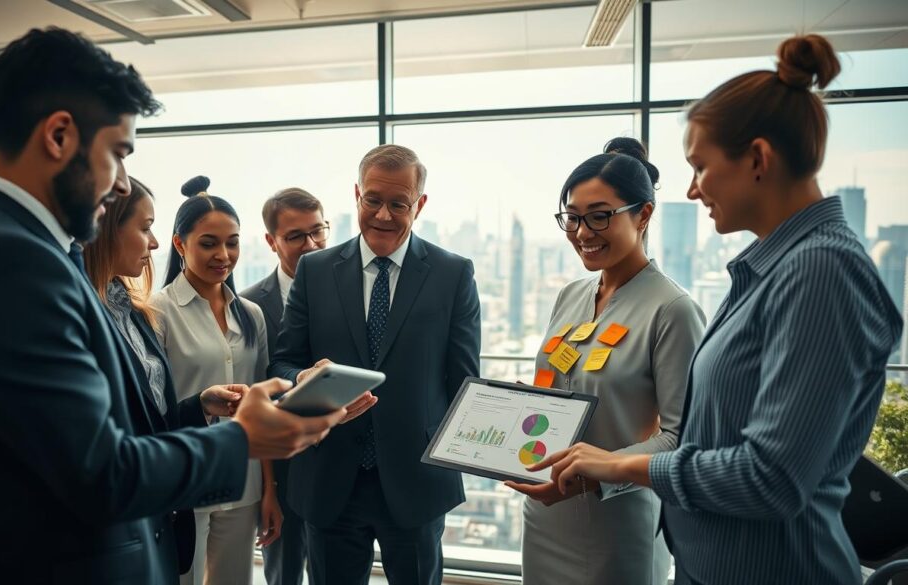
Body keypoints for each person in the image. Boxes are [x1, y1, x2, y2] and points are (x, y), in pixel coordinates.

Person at [0, 27, 345, 585]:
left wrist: (195, 409)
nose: (123, 185)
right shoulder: (5, 263)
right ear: (59, 135)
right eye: (117, 153)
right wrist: (242, 439)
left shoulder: (9, 248)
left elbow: (70, 440)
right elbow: (99, 474)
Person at [527, 34, 903, 585]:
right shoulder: (772, 268)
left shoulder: (821, 272)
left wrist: (614, 464)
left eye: (700, 167)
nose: (692, 190)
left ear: (758, 159)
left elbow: (773, 478)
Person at [270, 144, 481, 585]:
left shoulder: (453, 273)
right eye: (373, 200)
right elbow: (284, 361)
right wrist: (302, 378)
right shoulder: (314, 270)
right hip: (329, 478)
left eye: (399, 204)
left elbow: (464, 381)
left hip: (417, 480)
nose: (383, 215)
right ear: (356, 195)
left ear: (420, 204)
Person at [506, 138, 705, 585]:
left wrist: (595, 477)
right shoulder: (570, 295)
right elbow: (560, 390)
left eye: (599, 216)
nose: (582, 233)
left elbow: (683, 439)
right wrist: (521, 407)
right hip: (546, 512)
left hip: (619, 518)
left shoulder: (672, 310)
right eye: (573, 217)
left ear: (643, 215)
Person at [83, 176, 257, 575]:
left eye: (231, 242)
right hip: (136, 502)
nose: (154, 242)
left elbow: (153, 416)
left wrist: (200, 405)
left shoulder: (131, 310)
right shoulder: (95, 314)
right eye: (145, 228)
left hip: (165, 493)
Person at [151, 176, 280, 585]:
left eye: (232, 243)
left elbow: (262, 410)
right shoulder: (158, 312)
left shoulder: (251, 315)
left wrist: (270, 489)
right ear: (179, 244)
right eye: (209, 243)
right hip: (186, 482)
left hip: (243, 481)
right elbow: (152, 409)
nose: (223, 255)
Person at [241, 187, 329, 585]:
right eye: (295, 236)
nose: (311, 244)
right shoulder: (247, 306)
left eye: (318, 231)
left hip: (338, 463)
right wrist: (268, 488)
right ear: (271, 241)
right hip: (282, 469)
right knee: (283, 576)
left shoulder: (347, 291)